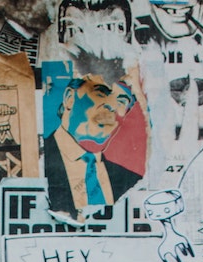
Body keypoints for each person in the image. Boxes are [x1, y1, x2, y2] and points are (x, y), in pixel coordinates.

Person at [44, 53, 142, 219]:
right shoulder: (37, 161)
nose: (111, 106)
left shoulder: (132, 182)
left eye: (122, 100)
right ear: (69, 98)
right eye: (102, 92)